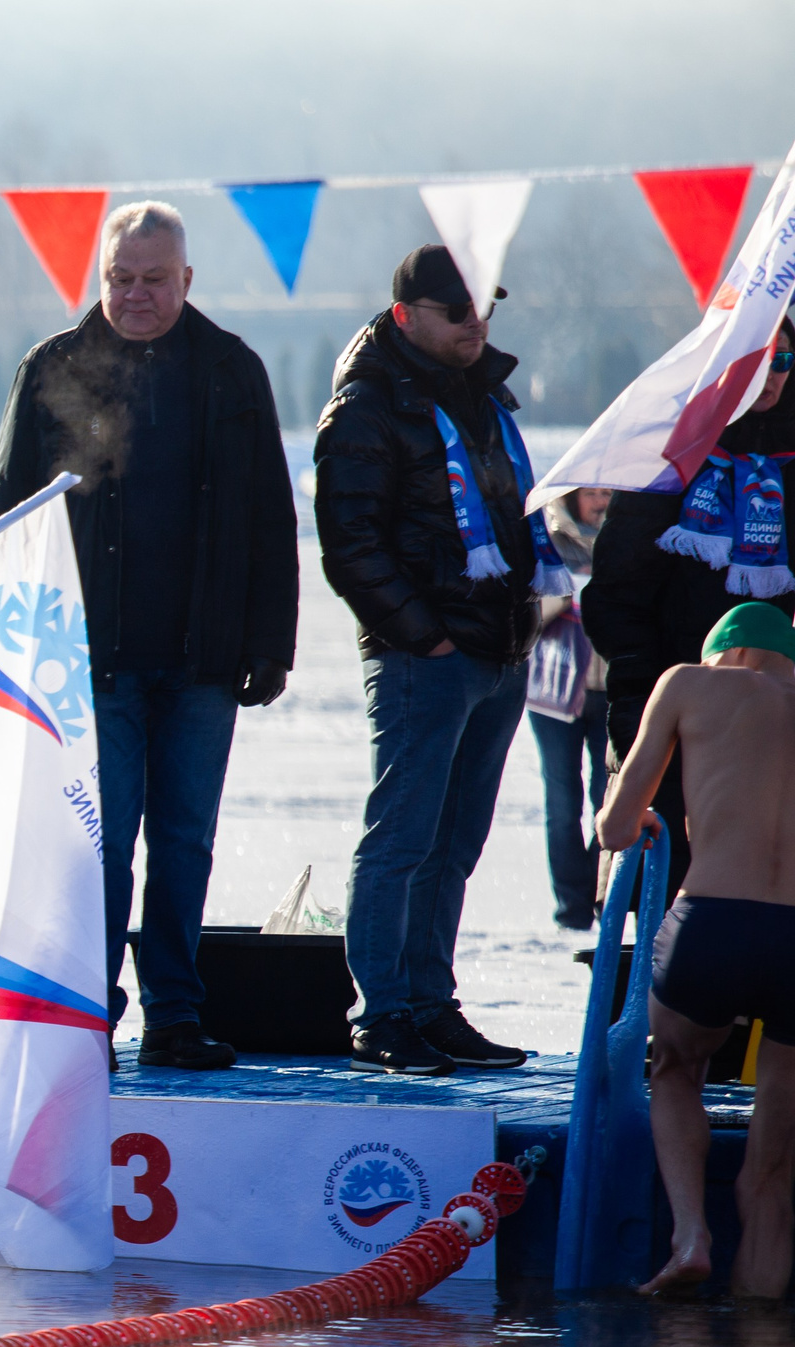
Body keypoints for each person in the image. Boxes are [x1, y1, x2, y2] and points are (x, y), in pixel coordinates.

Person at [0, 201, 299, 1071]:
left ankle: (174, 1012)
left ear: (186, 280)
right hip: (88, 663)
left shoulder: (232, 372)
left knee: (186, 841)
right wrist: (8, 646)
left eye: (154, 280)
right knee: (100, 843)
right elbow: (3, 518)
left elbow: (273, 517)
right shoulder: (53, 369)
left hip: (203, 659)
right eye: (120, 279)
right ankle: (88, 1009)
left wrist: (270, 640)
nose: (135, 295)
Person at [316, 244, 564, 1076]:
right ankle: (381, 1010)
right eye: (457, 311)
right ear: (405, 317)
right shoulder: (365, 406)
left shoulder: (484, 396)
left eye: (484, 308)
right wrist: (424, 634)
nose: (475, 324)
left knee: (455, 843)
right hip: (427, 656)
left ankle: (430, 1000)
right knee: (402, 839)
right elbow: (349, 543)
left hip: (497, 650)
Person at [596, 602, 795, 1296]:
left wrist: (634, 814)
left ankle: (690, 1236)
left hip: (711, 920)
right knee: (774, 1173)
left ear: (730, 653)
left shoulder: (687, 682)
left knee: (677, 1069)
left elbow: (618, 828)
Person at [581, 318, 795, 902]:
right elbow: (616, 595)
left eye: (784, 361)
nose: (772, 375)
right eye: (758, 359)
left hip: (768, 721)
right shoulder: (668, 452)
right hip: (672, 704)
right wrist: (644, 703)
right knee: (665, 895)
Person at [529, 487, 612, 930]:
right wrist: (558, 600)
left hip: (609, 686)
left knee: (608, 798)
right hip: (553, 690)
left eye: (609, 491)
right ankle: (571, 908)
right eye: (595, 492)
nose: (602, 500)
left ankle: (598, 896)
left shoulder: (624, 535)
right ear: (574, 495)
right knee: (562, 800)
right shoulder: (548, 537)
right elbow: (523, 608)